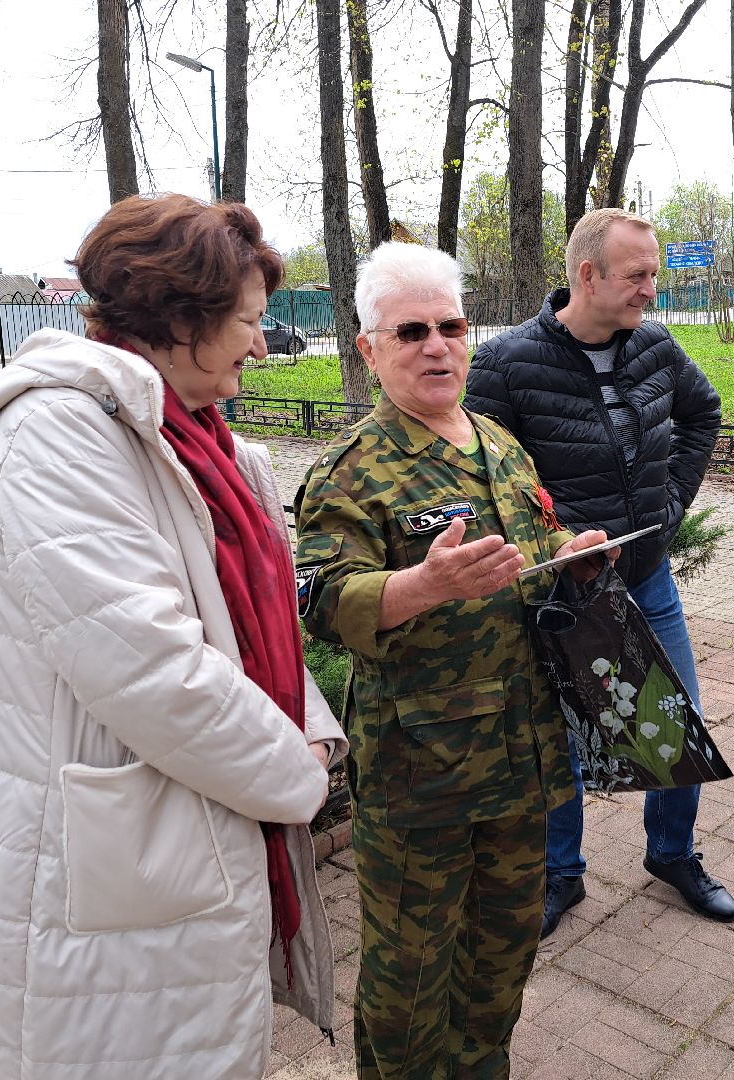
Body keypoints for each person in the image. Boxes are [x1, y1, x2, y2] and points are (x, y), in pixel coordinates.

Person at [0, 194, 347, 1080]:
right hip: (94, 851)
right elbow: (149, 666)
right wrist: (298, 773)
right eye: (249, 323)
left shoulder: (210, 445)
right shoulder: (57, 433)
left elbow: (252, 631)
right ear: (180, 316)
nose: (262, 347)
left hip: (187, 815)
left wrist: (309, 723)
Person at [293, 242, 612, 1078]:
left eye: (452, 325)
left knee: (500, 960)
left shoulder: (500, 444)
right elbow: (321, 601)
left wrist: (568, 556)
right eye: (411, 331)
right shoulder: (349, 471)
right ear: (369, 350)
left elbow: (527, 550)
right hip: (422, 776)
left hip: (523, 755)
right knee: (410, 978)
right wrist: (419, 587)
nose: (438, 345)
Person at [466, 207, 734, 938]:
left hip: (647, 581)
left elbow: (704, 412)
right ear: (588, 276)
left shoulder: (654, 345)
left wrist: (671, 503)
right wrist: (551, 542)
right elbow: (479, 479)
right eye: (638, 275)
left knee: (673, 720)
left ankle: (671, 855)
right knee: (559, 738)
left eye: (654, 273)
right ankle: (561, 874)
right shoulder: (506, 364)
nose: (653, 289)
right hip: (560, 594)